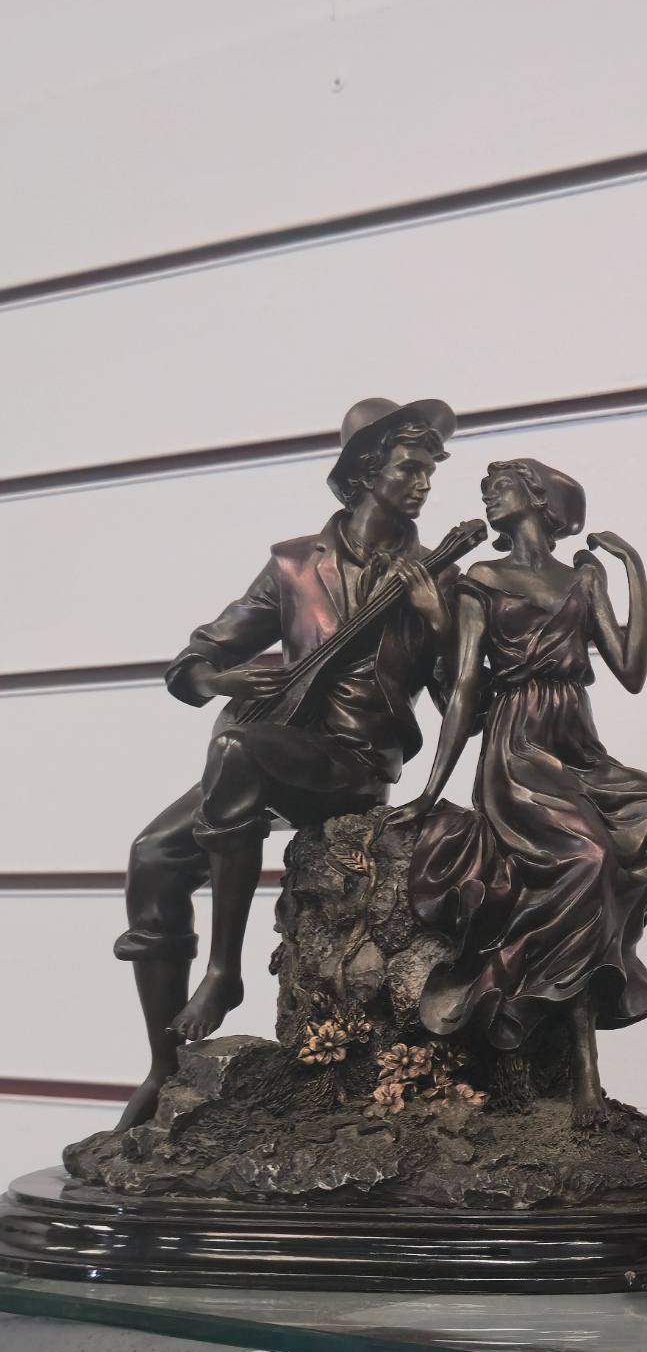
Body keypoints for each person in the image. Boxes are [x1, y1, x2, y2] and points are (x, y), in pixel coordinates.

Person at [115, 396, 480, 1129]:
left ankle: (224, 972)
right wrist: (219, 679)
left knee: (234, 752)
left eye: (430, 471)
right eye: (409, 468)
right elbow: (199, 654)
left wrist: (439, 624)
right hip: (274, 746)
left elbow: (461, 699)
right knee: (152, 856)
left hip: (355, 763)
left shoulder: (437, 576)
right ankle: (162, 1067)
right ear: (365, 471)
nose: (423, 484)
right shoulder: (292, 563)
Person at [401, 457, 647, 1123]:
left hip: (577, 743)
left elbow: (632, 670)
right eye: (486, 489)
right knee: (590, 857)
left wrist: (633, 570)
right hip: (518, 747)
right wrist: (430, 789)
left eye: (500, 486)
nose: (488, 495)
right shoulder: (481, 579)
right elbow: (465, 688)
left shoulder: (582, 580)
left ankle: (610, 941)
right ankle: (576, 1060)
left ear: (538, 499)